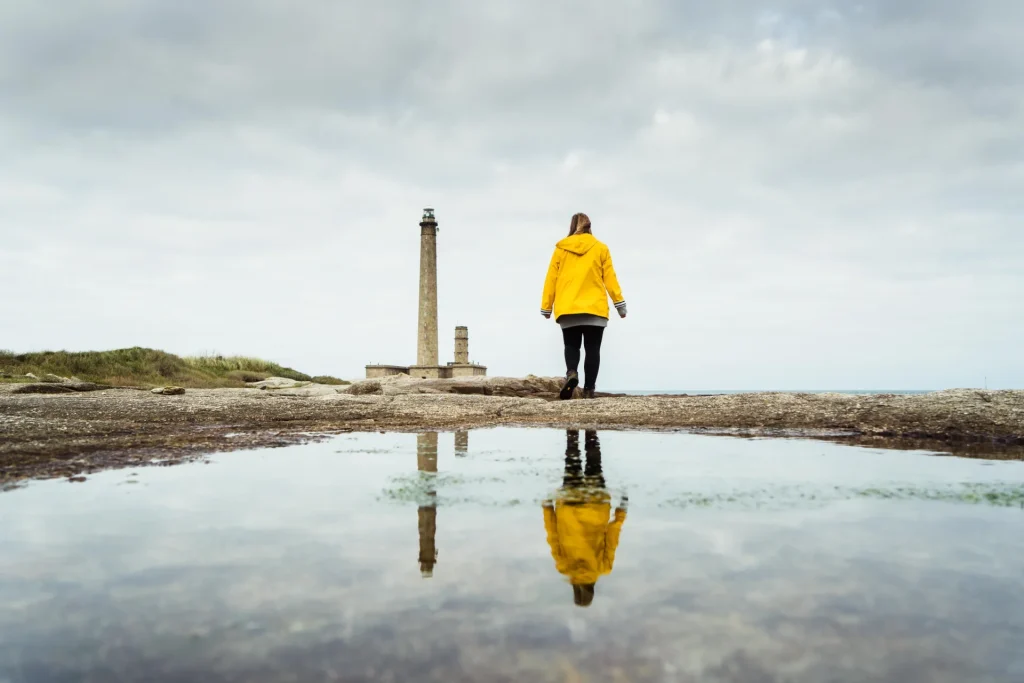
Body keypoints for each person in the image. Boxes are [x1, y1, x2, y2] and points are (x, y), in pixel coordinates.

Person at [540, 212, 627, 399]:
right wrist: (620, 305)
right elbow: (610, 278)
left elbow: (551, 279)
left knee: (571, 346)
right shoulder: (601, 248)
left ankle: (572, 373)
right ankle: (589, 390)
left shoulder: (561, 249)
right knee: (592, 349)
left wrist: (546, 307)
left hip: (568, 308)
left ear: (572, 227)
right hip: (595, 308)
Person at [542, 430, 628, 607]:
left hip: (596, 507)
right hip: (569, 505)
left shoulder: (603, 568)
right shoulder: (563, 567)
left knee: (594, 464)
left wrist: (621, 512)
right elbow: (552, 536)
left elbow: (612, 537)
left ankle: (591, 431)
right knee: (572, 459)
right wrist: (547, 508)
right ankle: (572, 430)